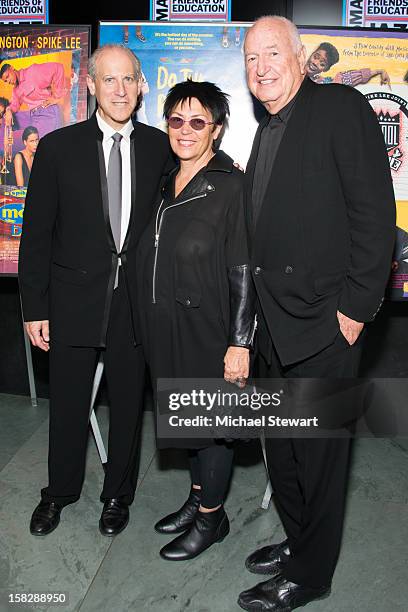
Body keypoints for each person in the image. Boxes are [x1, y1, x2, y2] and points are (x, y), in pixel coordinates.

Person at [237, 16, 396, 611]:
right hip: (275, 326)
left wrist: (355, 309)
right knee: (284, 447)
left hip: (326, 323)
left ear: (301, 57)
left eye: (272, 53)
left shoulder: (340, 107)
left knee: (321, 456)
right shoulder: (264, 129)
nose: (262, 66)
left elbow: (374, 214)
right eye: (252, 58)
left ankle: (311, 574)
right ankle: (300, 541)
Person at [19, 44, 171, 538]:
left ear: (142, 84)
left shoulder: (161, 147)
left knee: (129, 406)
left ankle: (117, 496)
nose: (121, 90)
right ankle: (58, 493)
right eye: (110, 81)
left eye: (129, 80)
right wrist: (34, 307)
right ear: (91, 85)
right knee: (67, 405)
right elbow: (37, 234)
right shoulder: (58, 148)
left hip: (135, 307)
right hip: (71, 304)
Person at [136, 79, 255, 561]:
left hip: (212, 330)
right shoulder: (166, 181)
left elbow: (244, 268)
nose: (185, 130)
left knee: (213, 426)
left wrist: (240, 341)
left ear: (217, 130)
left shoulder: (231, 187)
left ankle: (213, 520)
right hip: (168, 326)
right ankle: (198, 497)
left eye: (198, 122)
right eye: (176, 120)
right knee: (187, 420)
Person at [0, 61, 67, 137]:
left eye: (8, 76)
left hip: (46, 112)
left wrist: (57, 97)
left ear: (12, 68)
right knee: (6, 118)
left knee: (37, 142)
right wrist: (8, 110)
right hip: (32, 115)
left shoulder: (32, 72)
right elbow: (14, 105)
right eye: (5, 81)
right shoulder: (16, 90)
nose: (8, 81)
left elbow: (58, 68)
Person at [306, 41, 391, 88]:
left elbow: (352, 77)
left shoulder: (326, 84)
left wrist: (380, 71)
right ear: (312, 53)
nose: (315, 63)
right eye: (316, 56)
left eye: (322, 64)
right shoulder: (294, 69)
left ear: (326, 69)